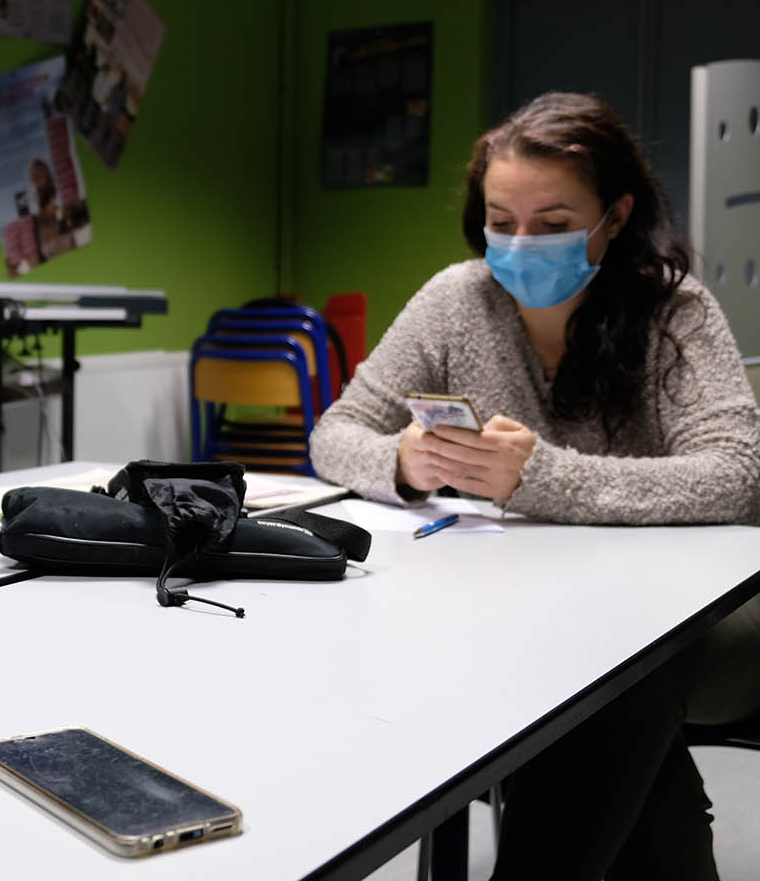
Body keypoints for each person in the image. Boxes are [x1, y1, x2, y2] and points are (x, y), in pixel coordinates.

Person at [310, 91, 760, 879]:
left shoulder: (673, 310)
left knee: (604, 672)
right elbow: (335, 434)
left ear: (615, 217)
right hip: (517, 602)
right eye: (500, 221)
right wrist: (405, 467)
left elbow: (736, 476)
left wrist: (538, 477)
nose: (521, 245)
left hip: (689, 616)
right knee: (641, 779)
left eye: (553, 225)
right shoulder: (456, 299)